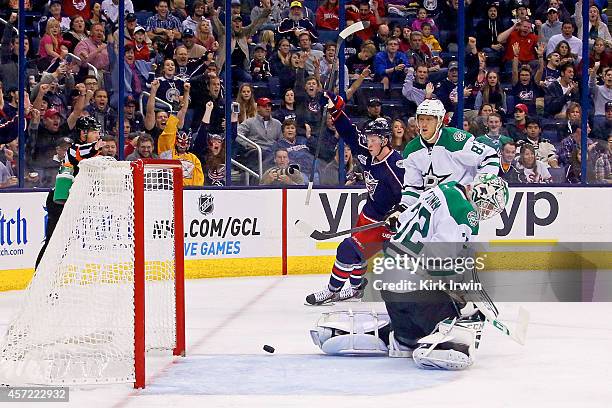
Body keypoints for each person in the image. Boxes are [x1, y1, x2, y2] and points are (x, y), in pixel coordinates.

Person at [311, 174, 509, 371]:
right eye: (490, 206)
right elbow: (441, 260)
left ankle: (403, 338)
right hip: (415, 294)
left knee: (411, 326)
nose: (487, 212)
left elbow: (406, 218)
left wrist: (398, 220)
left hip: (389, 287)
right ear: (483, 193)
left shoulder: (444, 188)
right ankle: (441, 345)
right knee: (466, 312)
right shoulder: (466, 213)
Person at [305, 93, 404, 306]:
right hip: (370, 212)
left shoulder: (396, 167)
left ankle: (332, 291)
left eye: (373, 140)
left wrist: (400, 211)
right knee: (358, 254)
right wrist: (335, 108)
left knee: (347, 249)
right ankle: (357, 288)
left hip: (387, 221)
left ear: (385, 141)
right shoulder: (367, 151)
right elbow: (349, 132)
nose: (368, 143)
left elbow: (413, 194)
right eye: (368, 139)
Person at [34, 116, 105, 269]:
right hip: (58, 201)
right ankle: (39, 277)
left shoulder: (93, 153)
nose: (97, 135)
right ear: (82, 133)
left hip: (72, 202)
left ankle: (52, 276)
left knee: (63, 244)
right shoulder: (75, 149)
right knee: (53, 242)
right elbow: (82, 152)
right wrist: (95, 147)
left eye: (98, 132)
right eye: (94, 132)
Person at [401, 99, 500, 206]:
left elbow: (490, 157)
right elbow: (412, 190)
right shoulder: (411, 150)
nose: (424, 124)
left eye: (429, 119)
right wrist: (402, 208)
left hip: (461, 208)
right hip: (433, 211)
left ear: (439, 121)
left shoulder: (457, 140)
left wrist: (478, 184)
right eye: (421, 119)